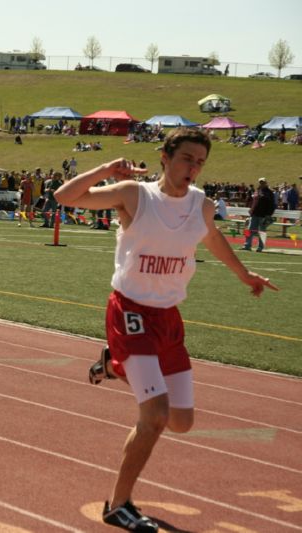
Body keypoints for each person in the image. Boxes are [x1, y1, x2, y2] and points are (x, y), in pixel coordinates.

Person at [54, 127, 277, 532]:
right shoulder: (135, 195)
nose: (193, 167)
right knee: (154, 417)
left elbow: (213, 239)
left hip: (169, 318)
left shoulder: (202, 206)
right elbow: (63, 198)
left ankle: (113, 365)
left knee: (181, 421)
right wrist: (105, 169)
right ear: (165, 157)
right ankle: (118, 504)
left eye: (200, 162)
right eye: (187, 158)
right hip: (130, 312)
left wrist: (245, 275)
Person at [242, 177, 276, 252]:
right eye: (260, 182)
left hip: (263, 215)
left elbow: (272, 205)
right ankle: (247, 245)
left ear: (266, 183)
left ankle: (260, 247)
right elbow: (254, 201)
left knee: (262, 232)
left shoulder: (269, 192)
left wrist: (268, 214)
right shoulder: (257, 191)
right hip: (254, 214)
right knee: (249, 229)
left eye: (263, 182)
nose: (261, 183)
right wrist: (251, 210)